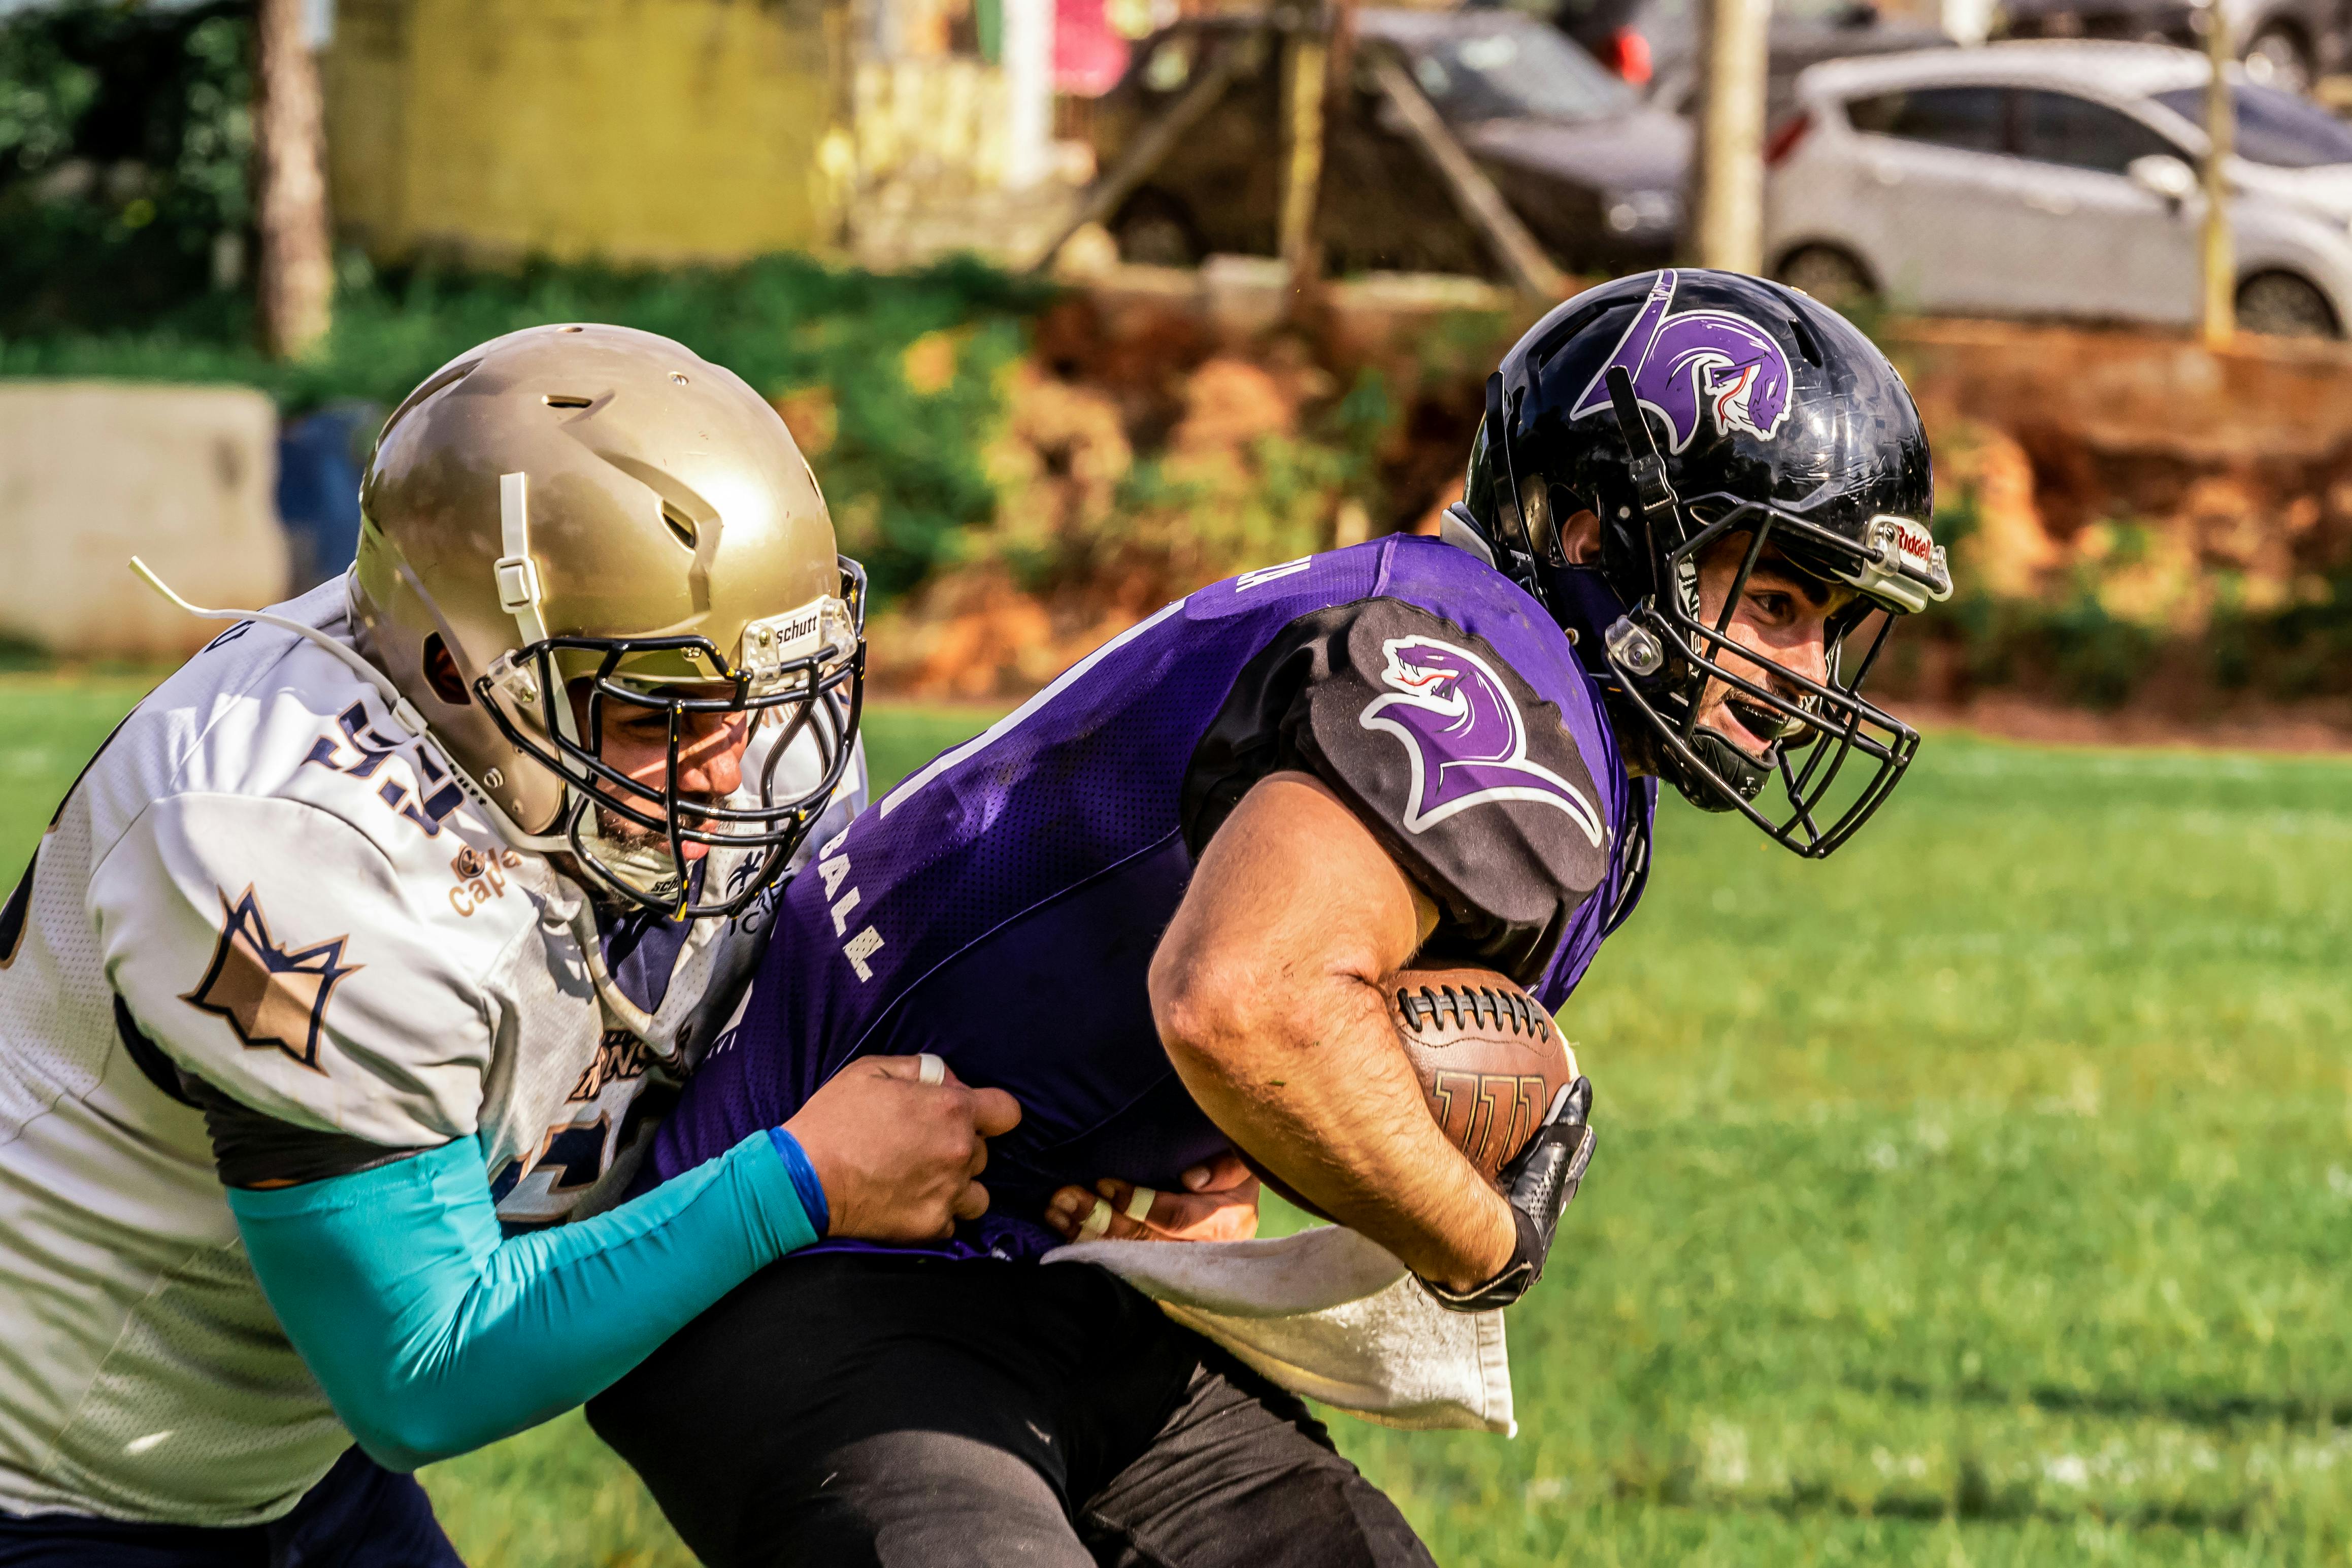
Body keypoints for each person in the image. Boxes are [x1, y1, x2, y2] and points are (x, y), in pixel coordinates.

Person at [587, 270, 1954, 1566]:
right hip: (812, 1259)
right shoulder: (1495, 689)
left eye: (1828, 622)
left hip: (1040, 1265)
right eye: (1774, 602)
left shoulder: (1492, 656)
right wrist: (1482, 1242)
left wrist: (1213, 1151)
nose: (1800, 672)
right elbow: (1245, 1005)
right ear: (1603, 537)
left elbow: (1221, 1003)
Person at [0, 324, 1017, 1560]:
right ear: (454, 667)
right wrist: (797, 1182)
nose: (731, 766)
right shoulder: (290, 849)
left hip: (286, 1470)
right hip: (65, 1486)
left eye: (756, 698)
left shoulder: (730, 735)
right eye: (658, 712)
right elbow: (423, 1372)